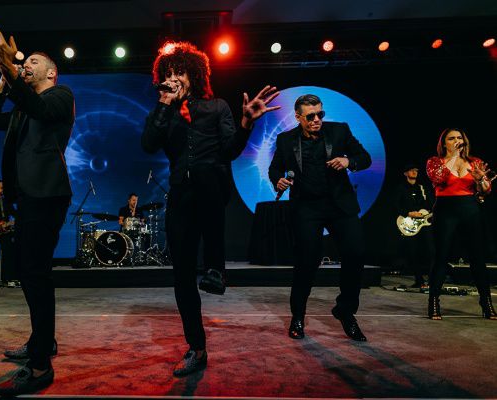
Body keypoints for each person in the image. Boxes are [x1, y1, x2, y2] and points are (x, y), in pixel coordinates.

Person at [141, 41, 280, 376]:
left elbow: (230, 150)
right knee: (182, 275)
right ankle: (197, 347)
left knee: (208, 183)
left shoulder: (217, 107)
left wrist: (246, 123)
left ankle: (217, 268)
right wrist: (164, 104)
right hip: (181, 194)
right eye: (168, 73)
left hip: (211, 189)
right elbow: (148, 144)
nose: (173, 78)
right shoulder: (163, 111)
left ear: (194, 74)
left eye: (180, 72)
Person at [0, 25, 74, 395]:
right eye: (26, 61)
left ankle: (39, 366)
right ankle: (42, 341)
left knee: (35, 272)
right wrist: (3, 82)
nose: (28, 65)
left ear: (51, 72)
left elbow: (38, 106)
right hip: (29, 197)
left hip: (48, 194)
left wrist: (8, 67)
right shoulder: (22, 110)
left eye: (34, 62)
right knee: (29, 270)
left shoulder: (60, 96)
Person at [268, 94, 372, 342]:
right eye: (310, 116)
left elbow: (364, 158)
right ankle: (298, 315)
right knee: (307, 261)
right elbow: (274, 168)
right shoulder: (285, 140)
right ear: (298, 117)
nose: (317, 119)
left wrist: (348, 161)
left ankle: (345, 311)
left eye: (320, 114)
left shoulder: (339, 131)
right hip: (307, 208)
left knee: (356, 253)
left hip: (339, 205)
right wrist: (277, 180)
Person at [425, 128, 495, 320]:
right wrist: (454, 156)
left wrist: (480, 181)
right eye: (451, 138)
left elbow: (485, 191)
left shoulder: (475, 162)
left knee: (477, 257)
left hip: (469, 209)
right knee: (441, 256)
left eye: (459, 138)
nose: (457, 141)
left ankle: (486, 302)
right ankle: (433, 302)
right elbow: (438, 178)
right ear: (444, 143)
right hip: (445, 210)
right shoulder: (435, 161)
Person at [395, 163, 434, 288]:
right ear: (405, 173)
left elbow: (430, 204)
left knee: (431, 250)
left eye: (416, 170)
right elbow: (395, 206)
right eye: (411, 170)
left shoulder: (422, 188)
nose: (414, 172)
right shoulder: (401, 188)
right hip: (410, 222)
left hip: (424, 224)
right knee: (413, 252)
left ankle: (432, 280)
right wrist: (408, 213)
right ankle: (419, 280)